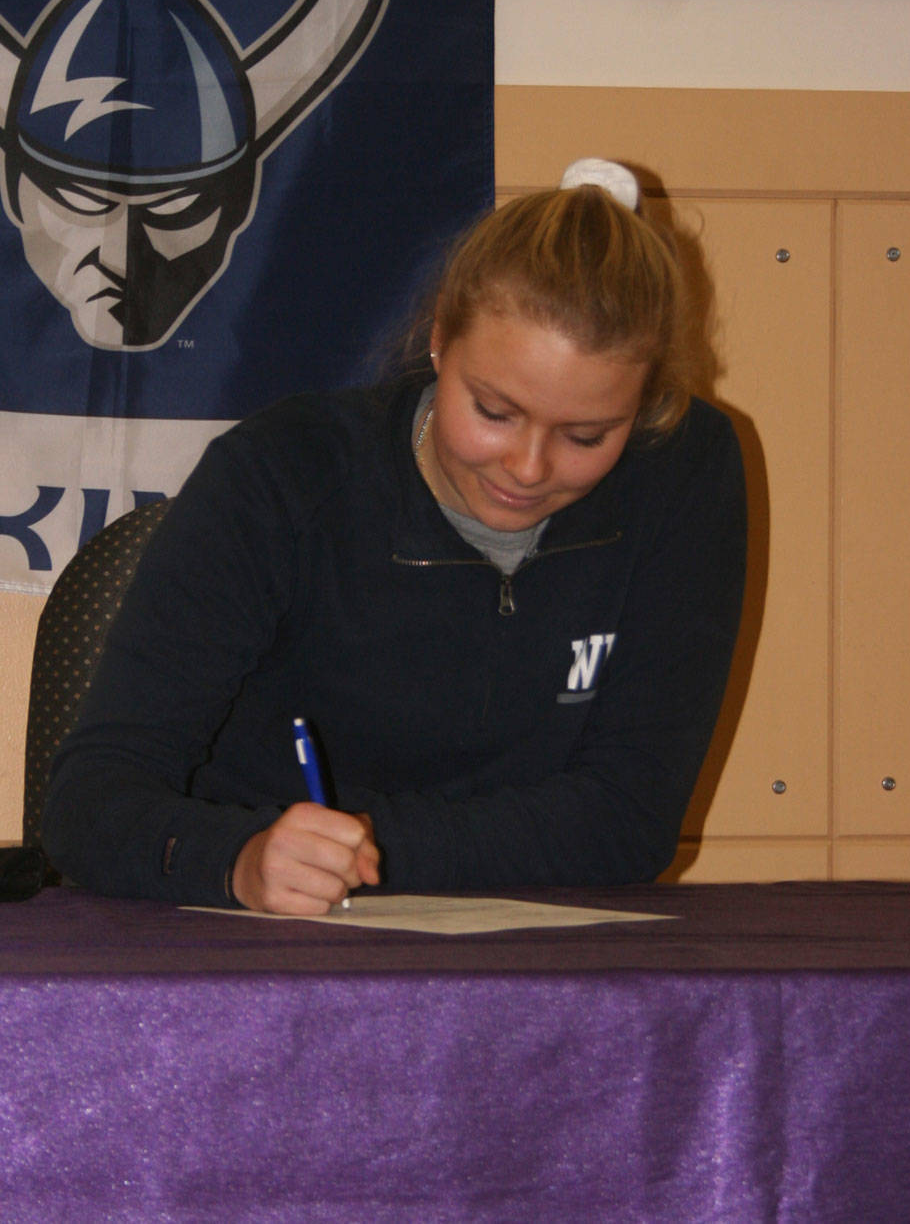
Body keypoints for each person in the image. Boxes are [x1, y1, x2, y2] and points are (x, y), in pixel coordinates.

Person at [43, 160, 747, 914]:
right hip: (267, 944)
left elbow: (628, 822)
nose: (529, 467)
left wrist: (373, 847)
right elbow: (90, 801)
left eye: (587, 434)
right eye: (494, 411)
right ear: (440, 340)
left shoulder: (683, 469)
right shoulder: (284, 473)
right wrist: (239, 861)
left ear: (643, 406)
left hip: (535, 957)